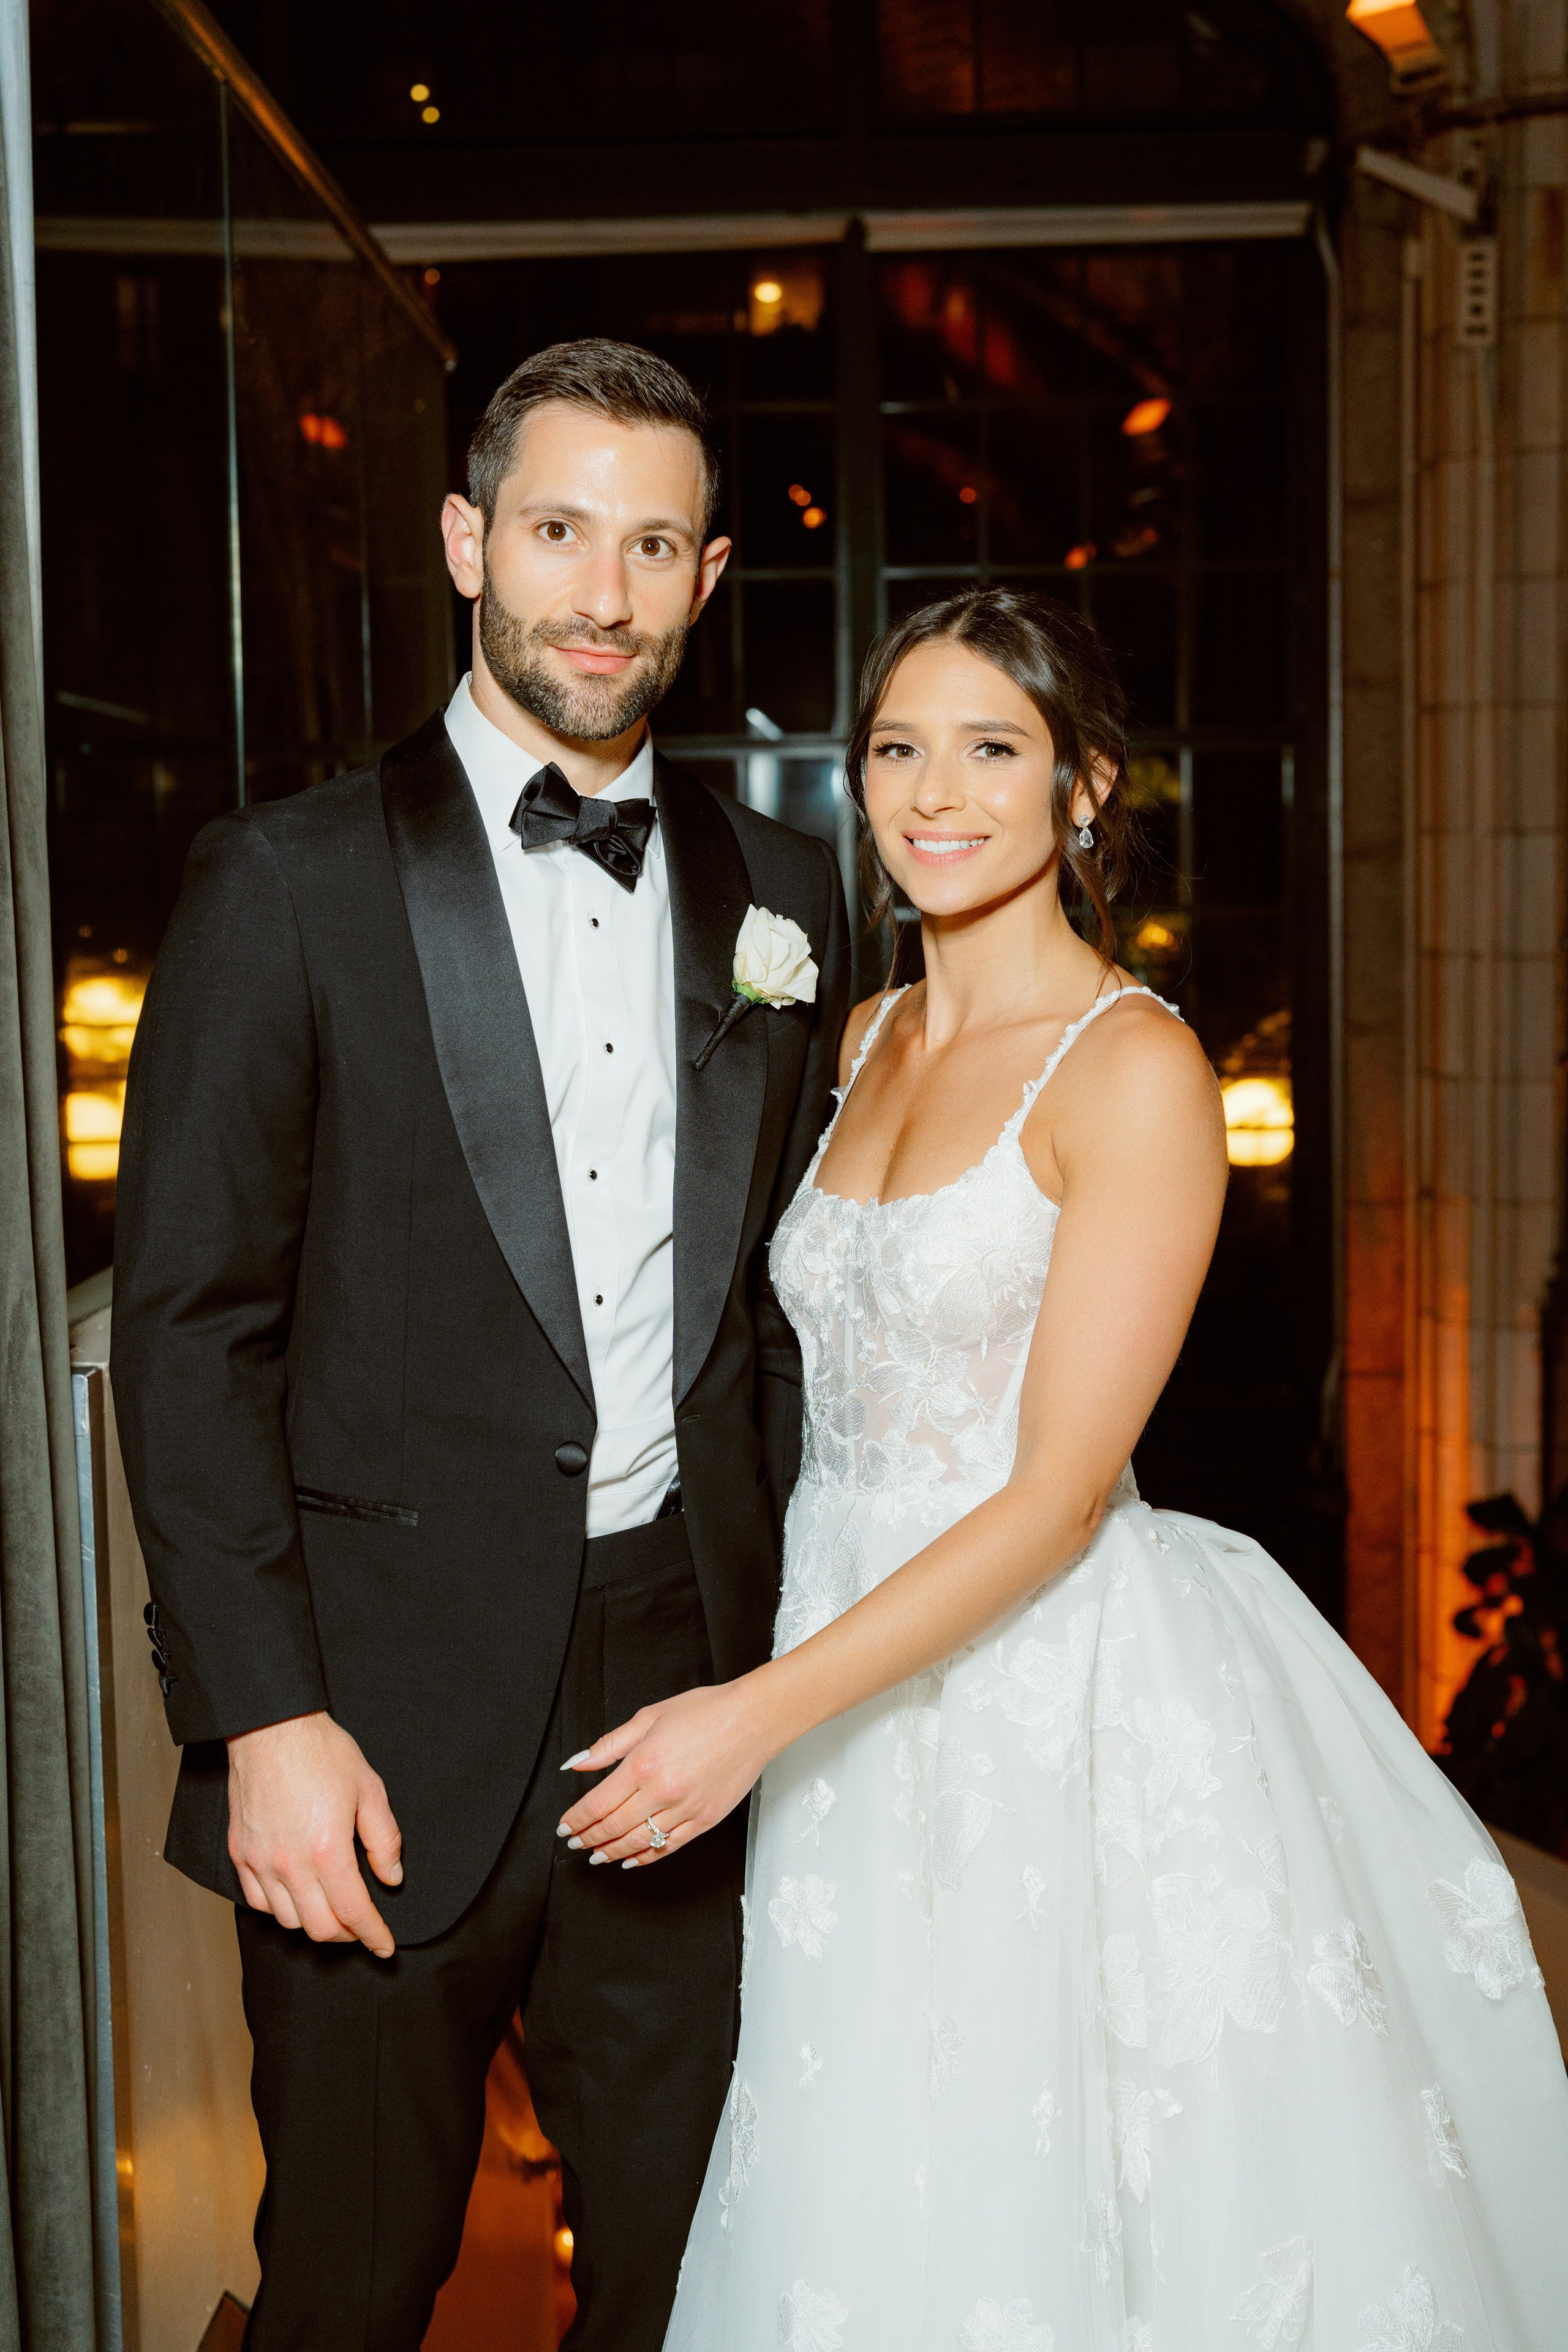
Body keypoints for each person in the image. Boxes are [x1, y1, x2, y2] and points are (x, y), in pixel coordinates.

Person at [557, 587, 1568, 2352]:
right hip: (844, 1710)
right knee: (869, 2176)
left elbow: (1049, 1498)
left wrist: (753, 1714)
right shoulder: (861, 1038)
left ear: (1084, 786)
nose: (934, 793)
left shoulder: (1139, 1070)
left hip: (1047, 1709)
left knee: (1056, 2191)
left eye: (992, 749)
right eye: (896, 748)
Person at [110, 338, 849, 2350]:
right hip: (370, 1722)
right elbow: (192, 1331)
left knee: (696, 2287)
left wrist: (784, 1680)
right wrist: (261, 1717)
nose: (600, 595)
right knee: (353, 2290)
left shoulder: (785, 901)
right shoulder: (284, 884)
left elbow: (781, 1322)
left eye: (651, 545)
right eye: (555, 531)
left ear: (704, 580)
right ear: (466, 542)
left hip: (680, 1716)